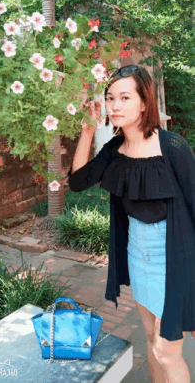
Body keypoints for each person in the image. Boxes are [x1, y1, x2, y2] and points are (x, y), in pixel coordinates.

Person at [68, 65, 195, 383]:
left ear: (144, 102)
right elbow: (79, 182)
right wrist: (87, 130)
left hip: (173, 253)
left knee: (168, 350)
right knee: (151, 341)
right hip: (137, 252)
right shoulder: (114, 149)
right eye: (110, 98)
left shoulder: (173, 147)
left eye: (125, 97)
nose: (114, 106)